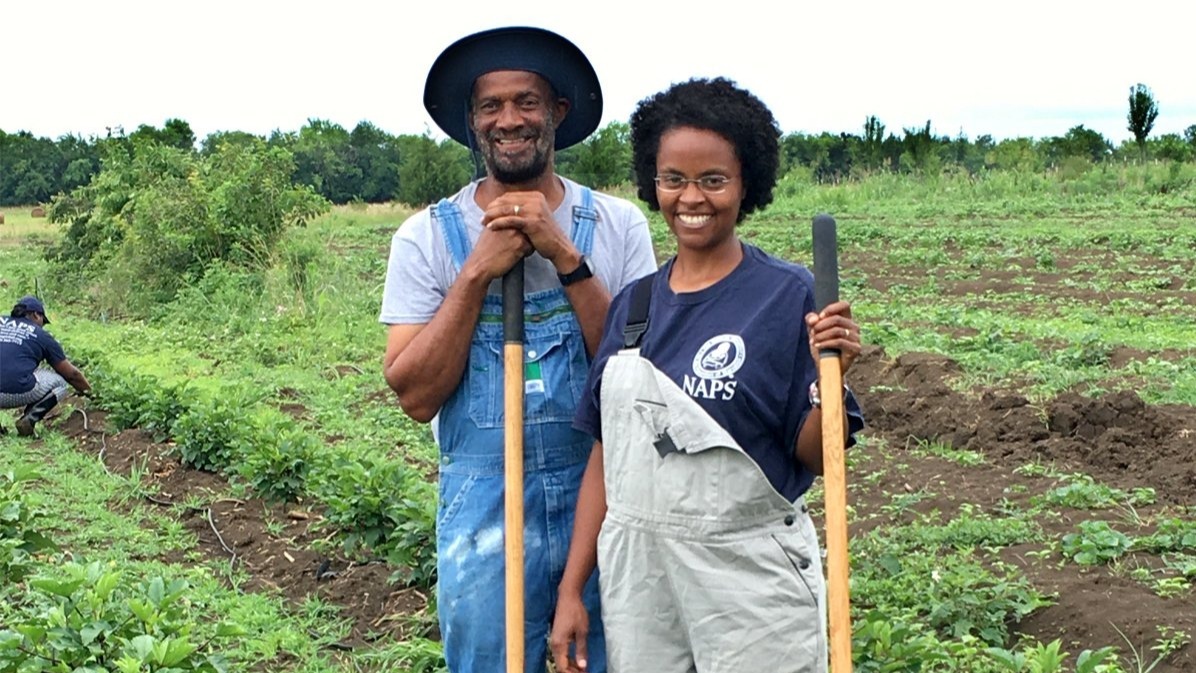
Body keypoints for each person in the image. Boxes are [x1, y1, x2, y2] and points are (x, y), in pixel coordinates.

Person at [549, 77, 866, 673]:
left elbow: (817, 455)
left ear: (746, 185)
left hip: (748, 578)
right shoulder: (633, 305)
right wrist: (573, 589)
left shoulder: (786, 295)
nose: (691, 198)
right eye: (674, 179)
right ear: (653, 182)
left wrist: (833, 377)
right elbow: (606, 456)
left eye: (713, 180)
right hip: (640, 576)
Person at [379, 26, 656, 673]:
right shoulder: (427, 239)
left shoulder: (616, 226)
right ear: (473, 123)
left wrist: (564, 255)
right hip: (482, 519)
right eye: (491, 106)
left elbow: (638, 377)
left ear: (557, 112)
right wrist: (476, 272)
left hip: (603, 502)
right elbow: (415, 395)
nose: (510, 119)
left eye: (526, 102)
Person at [0, 295, 91, 437]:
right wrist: (91, 394)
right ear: (36, 315)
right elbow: (71, 375)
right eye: (43, 321)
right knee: (60, 382)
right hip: (16, 392)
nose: (42, 325)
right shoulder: (41, 335)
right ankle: (29, 419)